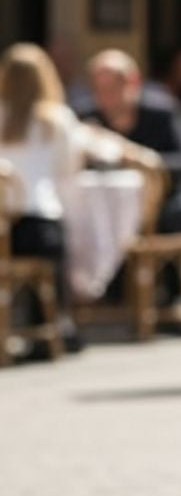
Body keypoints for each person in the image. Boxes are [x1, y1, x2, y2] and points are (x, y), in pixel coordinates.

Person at [82, 49, 181, 255]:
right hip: (106, 210)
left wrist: (140, 161)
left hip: (163, 204)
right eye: (98, 90)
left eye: (112, 88)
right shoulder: (86, 120)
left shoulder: (163, 113)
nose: (105, 97)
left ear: (133, 83)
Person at [0, 43, 85, 352]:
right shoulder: (57, 120)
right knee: (55, 254)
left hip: (5, 223)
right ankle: (55, 326)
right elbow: (68, 170)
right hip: (39, 221)